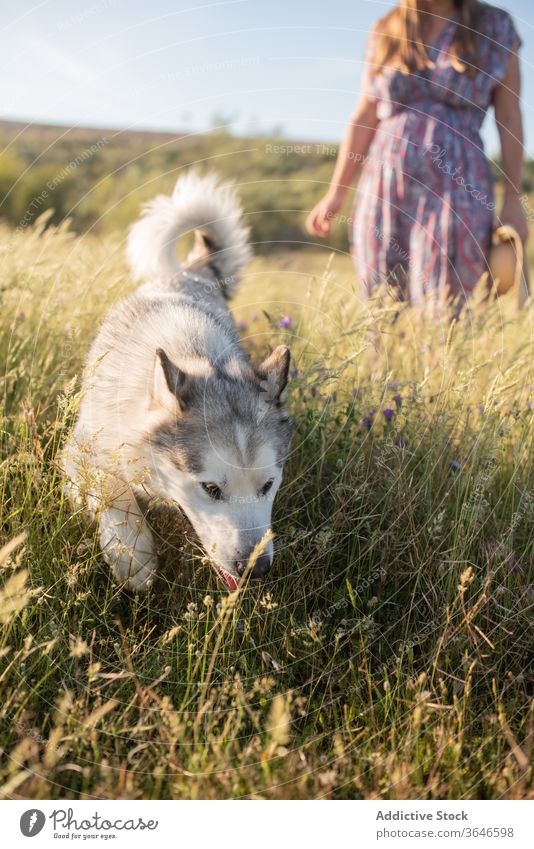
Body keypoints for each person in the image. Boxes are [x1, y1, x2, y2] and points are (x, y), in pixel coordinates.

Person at [306, 0, 527, 305]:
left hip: (459, 187)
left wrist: (513, 200)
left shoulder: (494, 25)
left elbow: (509, 116)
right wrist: (336, 191)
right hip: (384, 184)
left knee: (450, 304)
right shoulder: (386, 28)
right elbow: (365, 115)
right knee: (381, 302)